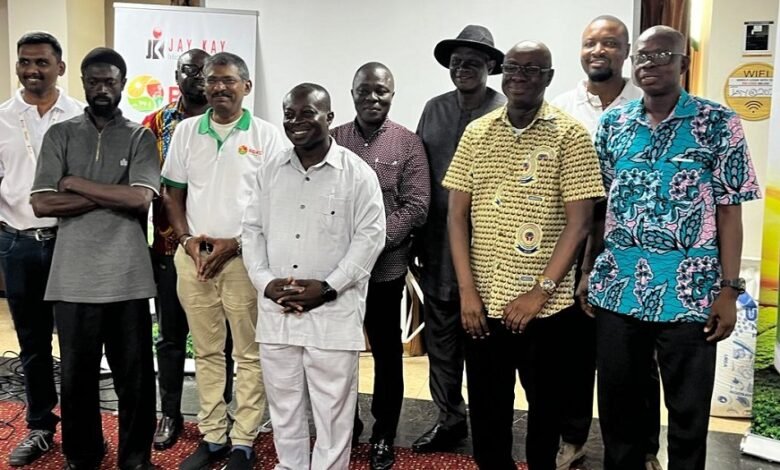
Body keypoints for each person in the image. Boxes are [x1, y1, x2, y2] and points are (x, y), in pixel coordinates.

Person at [585, 26, 761, 470]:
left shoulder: (719, 122)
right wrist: (588, 271)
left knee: (687, 415)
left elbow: (729, 212)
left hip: (691, 293)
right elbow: (598, 205)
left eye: (663, 54)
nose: (650, 63)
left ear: (684, 63)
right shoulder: (613, 123)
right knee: (619, 411)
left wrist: (728, 289)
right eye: (642, 56)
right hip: (619, 289)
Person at [444, 41, 605, 469]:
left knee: (545, 417)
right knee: (488, 415)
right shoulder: (477, 133)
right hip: (483, 306)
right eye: (513, 67)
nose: (520, 75)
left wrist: (540, 292)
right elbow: (457, 218)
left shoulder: (572, 136)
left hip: (548, 312)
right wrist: (467, 293)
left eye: (533, 69)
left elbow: (580, 224)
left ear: (549, 77)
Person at [242, 83, 386, 469]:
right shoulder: (269, 170)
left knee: (333, 414)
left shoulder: (357, 174)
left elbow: (371, 238)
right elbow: (251, 230)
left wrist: (327, 288)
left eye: (308, 113)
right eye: (289, 114)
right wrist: (265, 283)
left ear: (330, 118)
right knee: (284, 408)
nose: (296, 121)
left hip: (333, 315)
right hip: (278, 310)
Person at [30, 47, 159, 470]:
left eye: (110, 81)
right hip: (73, 278)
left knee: (135, 380)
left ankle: (135, 459)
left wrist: (74, 182)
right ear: (82, 83)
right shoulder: (60, 134)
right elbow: (43, 204)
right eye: (94, 81)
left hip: (128, 277)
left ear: (123, 83)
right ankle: (82, 456)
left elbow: (140, 199)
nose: (102, 89)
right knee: (76, 379)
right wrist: (109, 193)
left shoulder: (140, 137)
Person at [161, 52, 284, 470]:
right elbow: (172, 193)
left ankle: (244, 440)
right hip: (194, 258)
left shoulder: (268, 137)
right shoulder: (186, 132)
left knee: (248, 353)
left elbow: (277, 204)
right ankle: (213, 436)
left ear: (246, 87)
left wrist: (236, 244)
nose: (218, 87)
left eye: (229, 80)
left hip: (245, 260)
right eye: (212, 80)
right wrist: (186, 239)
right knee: (208, 352)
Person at [549, 16, 658, 470]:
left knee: (636, 363)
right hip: (571, 247)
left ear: (626, 51)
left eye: (610, 43)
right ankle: (572, 440)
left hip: (630, 254)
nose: (599, 51)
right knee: (572, 356)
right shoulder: (559, 107)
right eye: (590, 43)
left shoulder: (646, 104)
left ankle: (644, 447)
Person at [331, 62, 430, 469]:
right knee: (338, 354)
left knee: (388, 355)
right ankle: (344, 426)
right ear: (352, 92)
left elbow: (418, 205)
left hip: (385, 271)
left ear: (393, 93)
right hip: (336, 274)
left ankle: (384, 434)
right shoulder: (333, 140)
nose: (373, 98)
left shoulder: (407, 144)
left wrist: (371, 244)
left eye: (381, 91)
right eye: (365, 90)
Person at [412, 24, 506, 453]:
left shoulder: (506, 111)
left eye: (472, 61)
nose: (462, 68)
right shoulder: (433, 110)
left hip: (490, 256)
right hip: (435, 250)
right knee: (441, 345)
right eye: (455, 62)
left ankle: (489, 428)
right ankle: (449, 418)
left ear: (490, 65)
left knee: (485, 349)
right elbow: (418, 177)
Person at [142, 48, 236, 451]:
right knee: (171, 339)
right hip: (171, 250)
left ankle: (224, 414)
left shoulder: (238, 127)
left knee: (224, 341)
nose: (198, 78)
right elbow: (152, 189)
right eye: (188, 70)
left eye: (205, 71)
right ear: (176, 75)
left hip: (229, 254)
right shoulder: (156, 124)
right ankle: (171, 414)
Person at [0, 31, 83, 467]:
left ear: (60, 68)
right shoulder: (1, 118)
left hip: (71, 242)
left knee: (76, 343)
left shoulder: (81, 117)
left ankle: (82, 432)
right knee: (32, 342)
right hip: (18, 242)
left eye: (42, 63)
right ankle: (40, 427)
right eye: (24, 62)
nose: (32, 70)